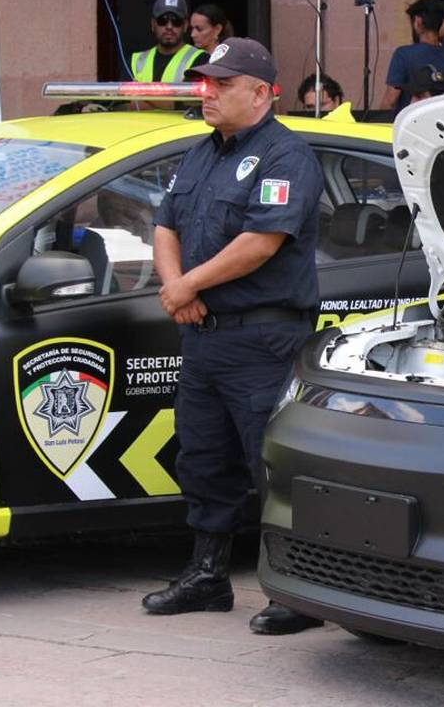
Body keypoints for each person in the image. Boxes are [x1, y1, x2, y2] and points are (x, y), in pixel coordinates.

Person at [143, 37, 325, 637]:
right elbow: (165, 223)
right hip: (205, 338)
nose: (209, 93)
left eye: (221, 84)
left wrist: (185, 286)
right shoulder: (202, 153)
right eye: (207, 82)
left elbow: (260, 244)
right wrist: (179, 290)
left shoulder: (285, 157)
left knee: (269, 462)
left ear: (259, 92)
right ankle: (208, 577)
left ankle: (298, 590)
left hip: (262, 340)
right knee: (202, 458)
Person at [379, 0, 444, 114]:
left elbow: (390, 100)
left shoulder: (403, 54)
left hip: (409, 125)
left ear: (418, 22)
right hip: (440, 126)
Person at [130, 0, 207, 83]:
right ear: (153, 24)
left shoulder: (201, 60)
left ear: (185, 25)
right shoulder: (135, 62)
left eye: (176, 21)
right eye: (162, 20)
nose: (169, 27)